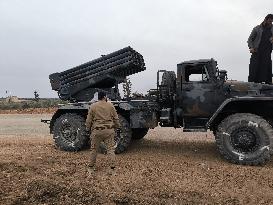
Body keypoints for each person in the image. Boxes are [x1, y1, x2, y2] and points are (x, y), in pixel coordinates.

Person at [86, 91, 120, 175]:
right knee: (110, 149)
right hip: (109, 131)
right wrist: (117, 127)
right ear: (104, 97)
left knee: (94, 150)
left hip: (97, 131)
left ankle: (91, 168)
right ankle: (112, 169)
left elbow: (89, 120)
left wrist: (88, 128)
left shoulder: (93, 106)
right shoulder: (110, 105)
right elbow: (116, 118)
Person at [248, 14, 273, 84]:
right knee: (254, 69)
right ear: (265, 19)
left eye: (271, 20)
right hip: (256, 51)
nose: (270, 21)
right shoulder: (257, 28)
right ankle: (252, 84)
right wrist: (251, 47)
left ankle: (268, 86)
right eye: (269, 19)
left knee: (266, 70)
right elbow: (250, 39)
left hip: (267, 52)